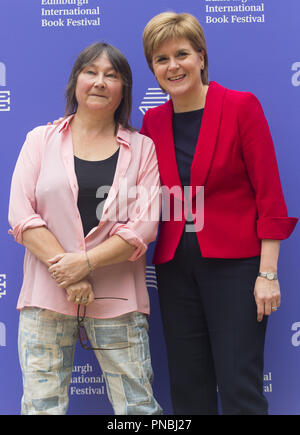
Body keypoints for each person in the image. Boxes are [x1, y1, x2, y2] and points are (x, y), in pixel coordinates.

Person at [140, 12, 298, 415]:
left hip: (237, 269)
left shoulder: (241, 106)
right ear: (152, 68)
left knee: (238, 386)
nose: (173, 66)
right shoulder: (153, 121)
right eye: (161, 59)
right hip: (175, 271)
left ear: (202, 57)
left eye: (182, 54)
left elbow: (270, 197)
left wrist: (267, 273)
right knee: (188, 388)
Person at [8, 42, 162, 415]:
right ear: (75, 81)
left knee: (138, 409)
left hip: (117, 300)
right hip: (46, 296)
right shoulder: (39, 140)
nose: (100, 82)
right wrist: (70, 270)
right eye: (91, 72)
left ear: (123, 88)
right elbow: (21, 215)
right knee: (41, 407)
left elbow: (143, 226)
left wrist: (86, 264)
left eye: (112, 75)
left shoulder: (142, 148)